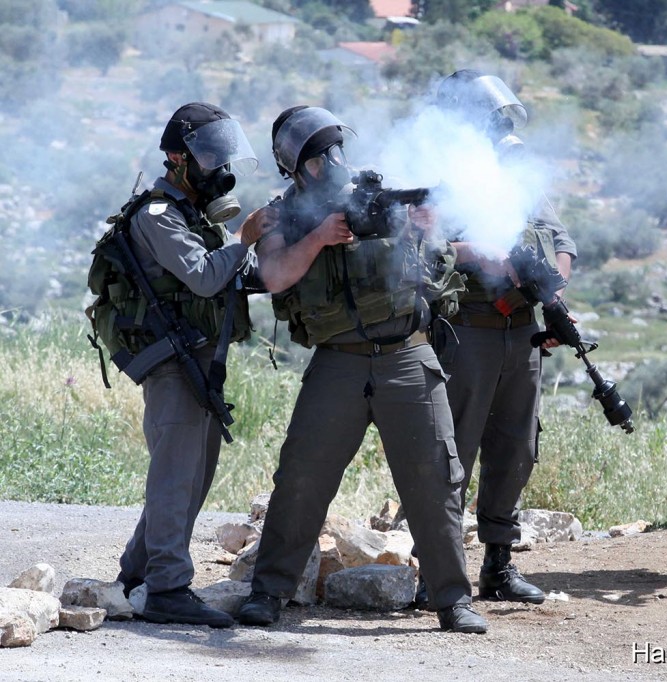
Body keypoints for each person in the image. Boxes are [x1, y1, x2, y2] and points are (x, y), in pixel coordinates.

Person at [234, 106, 488, 634]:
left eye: (333, 150)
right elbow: (274, 274)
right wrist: (320, 237)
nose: (330, 163)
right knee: (301, 478)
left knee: (436, 478)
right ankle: (269, 592)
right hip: (339, 362)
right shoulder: (287, 215)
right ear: (295, 168)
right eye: (317, 157)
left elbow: (443, 255)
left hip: (407, 353)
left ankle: (452, 599)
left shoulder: (383, 191)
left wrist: (425, 228)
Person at [421, 70, 578, 605]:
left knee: (516, 447)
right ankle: (438, 573)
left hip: (522, 333)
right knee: (453, 452)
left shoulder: (515, 172)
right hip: (467, 330)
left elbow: (560, 237)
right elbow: (421, 245)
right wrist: (478, 253)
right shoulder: (436, 175)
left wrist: (553, 283)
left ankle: (498, 565)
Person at [110, 102, 264, 627]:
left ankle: (135, 576)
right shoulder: (158, 215)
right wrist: (245, 238)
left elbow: (231, 274)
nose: (219, 171)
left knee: (189, 477)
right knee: (176, 478)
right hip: (172, 362)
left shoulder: (191, 212)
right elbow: (202, 276)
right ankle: (169, 589)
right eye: (207, 159)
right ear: (176, 159)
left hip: (196, 358)